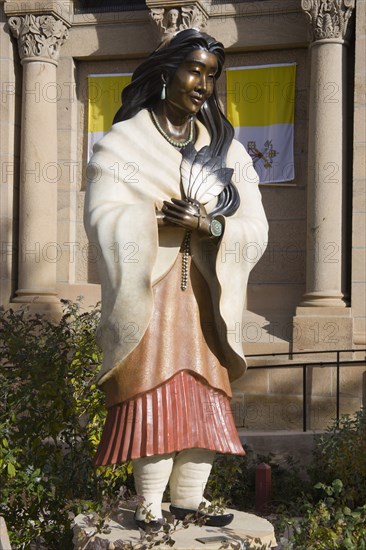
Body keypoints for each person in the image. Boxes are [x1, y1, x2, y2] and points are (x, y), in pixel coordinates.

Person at [84, 29, 268, 530]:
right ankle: (147, 505)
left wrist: (209, 225)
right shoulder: (124, 143)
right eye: (194, 70)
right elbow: (101, 215)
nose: (202, 84)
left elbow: (256, 225)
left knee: (205, 397)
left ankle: (189, 500)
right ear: (166, 73)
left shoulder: (228, 152)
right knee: (152, 392)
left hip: (206, 296)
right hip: (153, 294)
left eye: (211, 75)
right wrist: (155, 222)